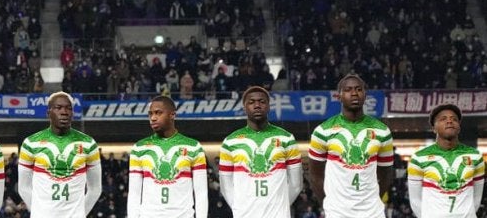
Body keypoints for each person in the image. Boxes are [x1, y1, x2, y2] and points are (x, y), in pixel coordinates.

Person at [308, 75, 393, 218]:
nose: (354, 93)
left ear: (365, 95)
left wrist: (373, 200)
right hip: (337, 212)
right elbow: (315, 176)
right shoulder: (322, 131)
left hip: (372, 212)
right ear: (339, 96)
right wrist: (329, 204)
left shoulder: (382, 131)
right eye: (348, 90)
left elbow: (386, 175)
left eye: (359, 89)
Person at [218, 86, 302, 218]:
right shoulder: (230, 142)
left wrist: (280, 207)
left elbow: (296, 185)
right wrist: (239, 208)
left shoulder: (286, 138)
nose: (257, 105)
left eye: (262, 102)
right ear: (244, 107)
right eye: (251, 102)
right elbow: (225, 185)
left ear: (269, 106)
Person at [18, 91, 102, 218]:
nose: (64, 112)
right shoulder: (30, 143)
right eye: (58, 108)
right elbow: (23, 187)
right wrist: (38, 212)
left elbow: (95, 189)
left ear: (72, 113)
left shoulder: (88, 144)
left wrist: (80, 214)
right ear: (48, 113)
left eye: (68, 108)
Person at [127, 96, 207, 218]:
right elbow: (134, 193)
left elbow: (201, 193)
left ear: (172, 115)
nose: (153, 118)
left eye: (158, 113)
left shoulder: (193, 147)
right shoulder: (139, 148)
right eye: (150, 114)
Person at [407, 104, 484, 218]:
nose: (449, 121)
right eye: (443, 119)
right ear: (434, 128)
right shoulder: (418, 158)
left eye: (454, 119)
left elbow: (476, 199)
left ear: (459, 127)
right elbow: (415, 201)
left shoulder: (475, 156)